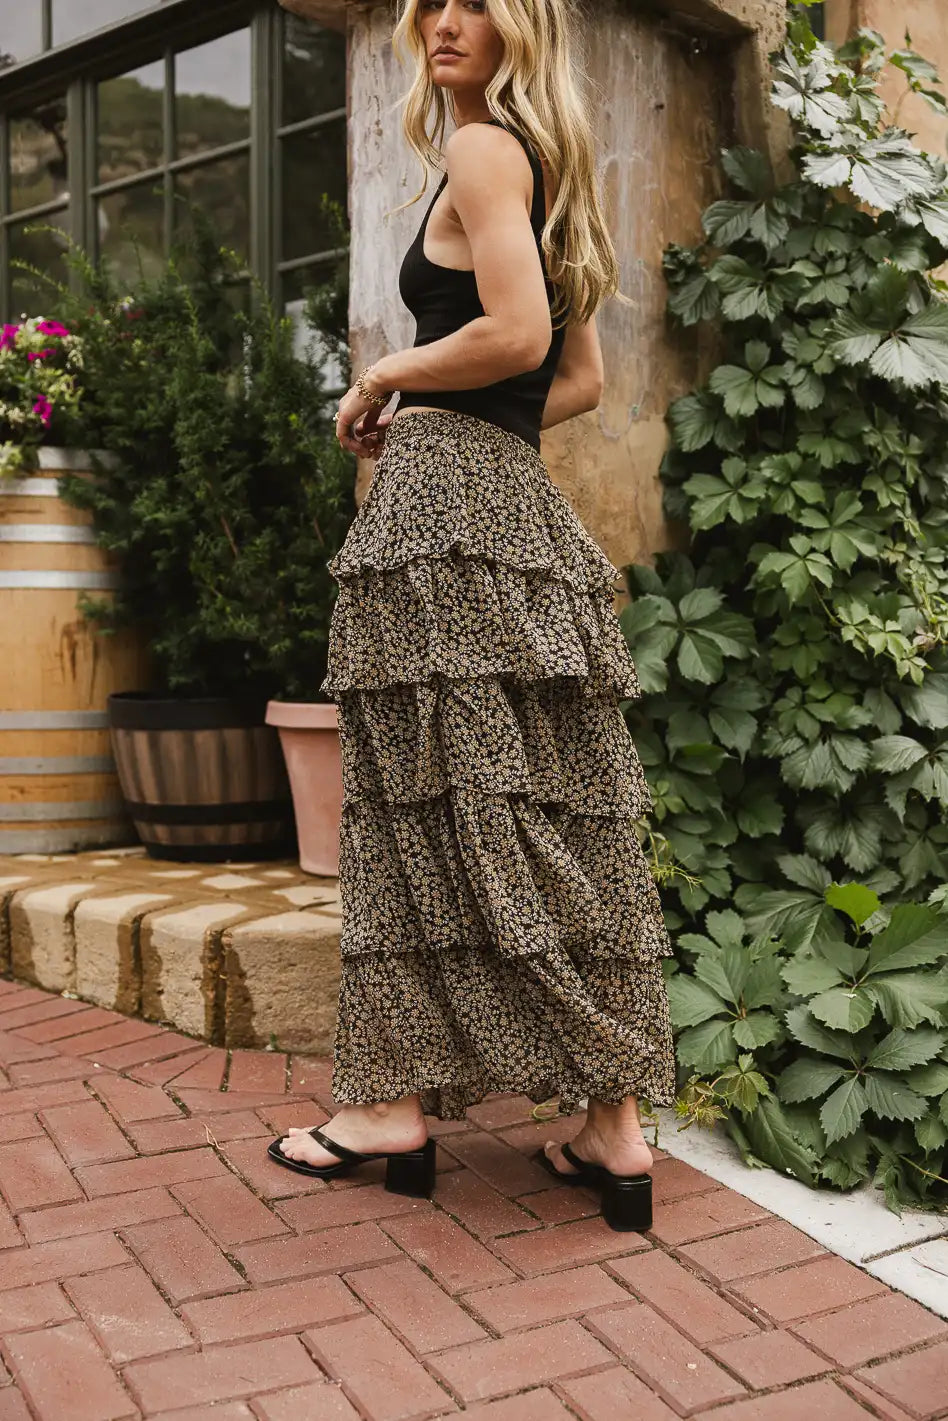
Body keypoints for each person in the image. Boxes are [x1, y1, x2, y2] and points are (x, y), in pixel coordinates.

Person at [267, 0, 675, 1233]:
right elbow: (577, 377)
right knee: (548, 797)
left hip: (442, 513)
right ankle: (612, 1124)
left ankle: (388, 1106)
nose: (445, 21)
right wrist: (459, 409)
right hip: (515, 504)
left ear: (523, 26)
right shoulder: (552, 166)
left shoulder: (485, 148)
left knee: (413, 803)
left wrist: (392, 375)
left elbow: (519, 333)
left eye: (478, 2)